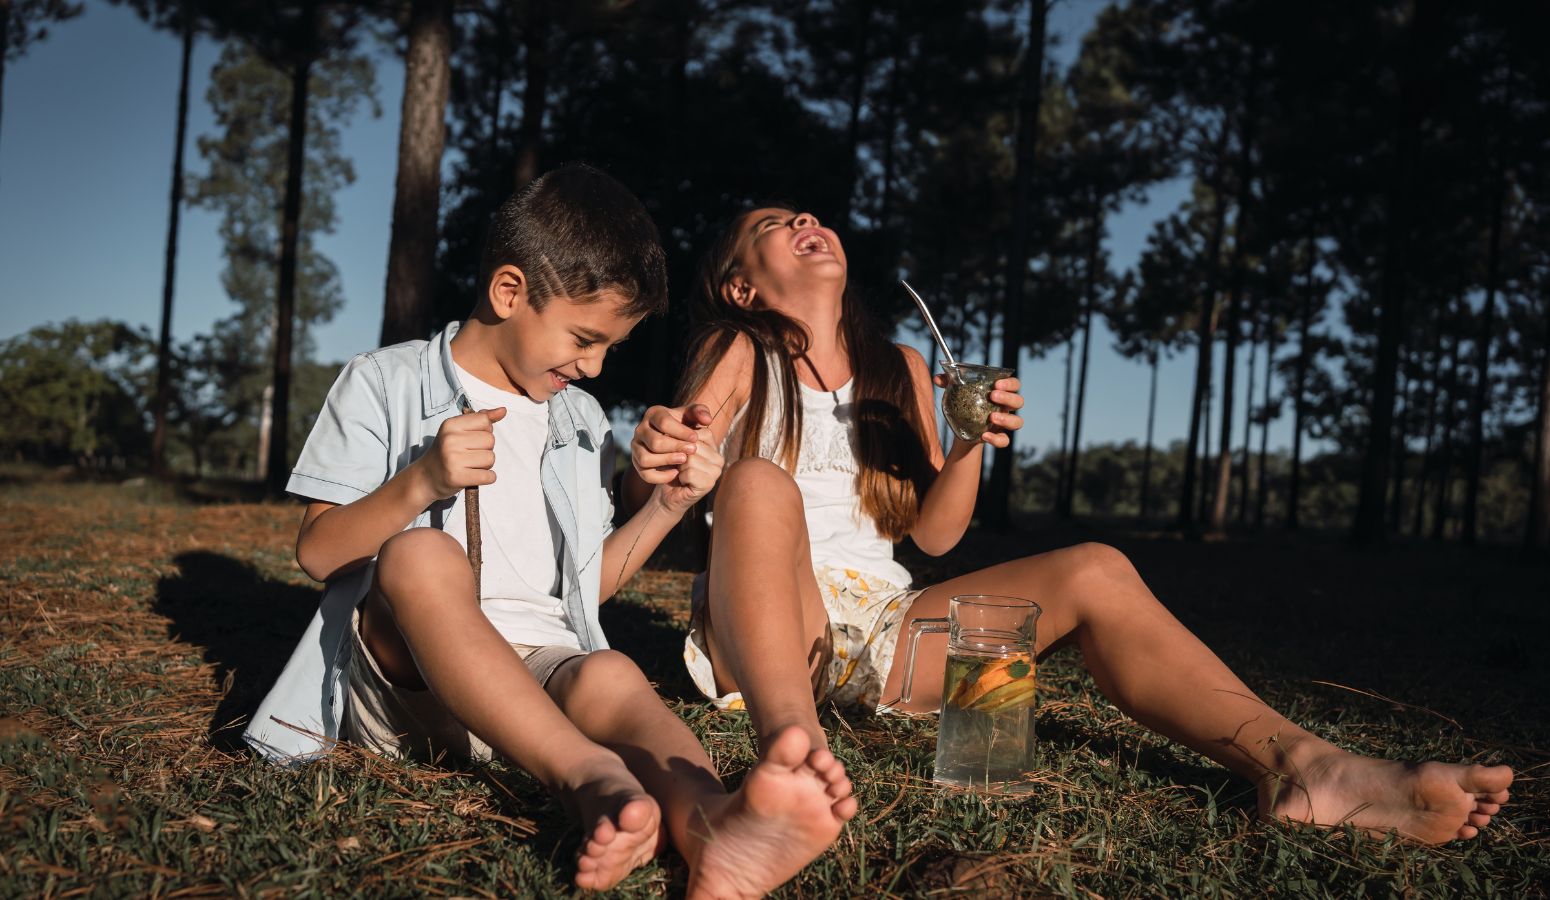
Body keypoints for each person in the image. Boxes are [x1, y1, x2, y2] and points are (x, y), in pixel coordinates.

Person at [627, 205, 1513, 846]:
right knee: (754, 484)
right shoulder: (737, 350)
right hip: (771, 621)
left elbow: (934, 539)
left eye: (812, 214)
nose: (807, 220)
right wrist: (672, 441)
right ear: (742, 282)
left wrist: (970, 441)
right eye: (776, 224)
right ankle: (796, 756)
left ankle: (1306, 768)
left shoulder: (898, 367)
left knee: (1095, 563)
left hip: (884, 629)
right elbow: (688, 449)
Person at [244, 173, 857, 896]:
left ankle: (711, 828)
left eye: (610, 349)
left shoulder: (579, 422)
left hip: (541, 682)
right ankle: (593, 778)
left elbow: (582, 590)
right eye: (584, 339)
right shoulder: (384, 381)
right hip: (408, 687)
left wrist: (663, 507)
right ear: (510, 293)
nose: (594, 367)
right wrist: (419, 484)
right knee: (418, 554)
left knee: (612, 674)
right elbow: (316, 552)